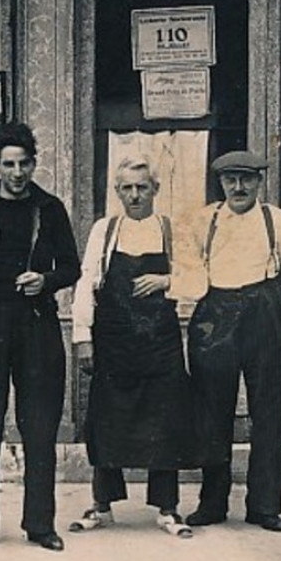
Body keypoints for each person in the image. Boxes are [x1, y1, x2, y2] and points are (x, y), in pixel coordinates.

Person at [0, 122, 82, 552]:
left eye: (24, 163)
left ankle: (40, 524)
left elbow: (72, 267)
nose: (17, 172)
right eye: (9, 164)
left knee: (39, 427)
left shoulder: (51, 208)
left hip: (37, 324)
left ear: (34, 162)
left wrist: (45, 280)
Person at [68, 157, 195, 538]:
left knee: (165, 421)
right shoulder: (105, 231)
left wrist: (167, 280)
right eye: (127, 188)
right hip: (115, 341)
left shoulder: (172, 230)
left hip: (160, 344)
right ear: (117, 192)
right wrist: (82, 337)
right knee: (107, 420)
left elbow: (197, 279)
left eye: (142, 187)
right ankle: (102, 505)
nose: (135, 195)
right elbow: (87, 281)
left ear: (156, 190)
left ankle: (168, 509)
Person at [180, 150, 281, 531]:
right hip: (215, 309)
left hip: (263, 309)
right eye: (230, 179)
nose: (238, 187)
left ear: (259, 182)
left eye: (246, 179)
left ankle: (265, 505)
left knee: (267, 411)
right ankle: (212, 503)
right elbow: (188, 264)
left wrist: (263, 296)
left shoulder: (275, 219)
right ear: (220, 183)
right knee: (211, 410)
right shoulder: (205, 219)